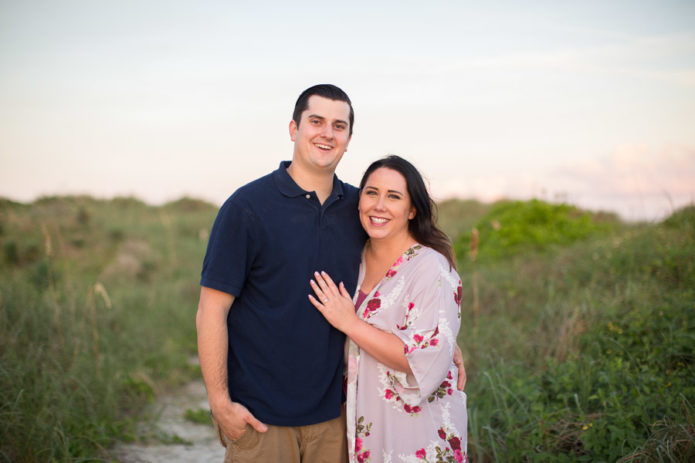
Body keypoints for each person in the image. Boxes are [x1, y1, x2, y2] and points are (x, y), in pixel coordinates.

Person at [196, 85, 465, 462]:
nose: (327, 133)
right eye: (316, 121)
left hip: (337, 417)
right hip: (261, 417)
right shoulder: (247, 208)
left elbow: (402, 279)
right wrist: (219, 402)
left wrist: (444, 340)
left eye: (339, 126)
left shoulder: (360, 209)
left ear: (349, 139)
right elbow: (211, 309)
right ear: (294, 128)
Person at [309, 155, 468, 462]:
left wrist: (350, 323)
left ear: (412, 209)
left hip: (418, 431)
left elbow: (424, 356)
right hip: (364, 422)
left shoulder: (430, 268)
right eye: (371, 193)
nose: (379, 205)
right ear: (358, 202)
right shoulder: (352, 258)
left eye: (393, 196)